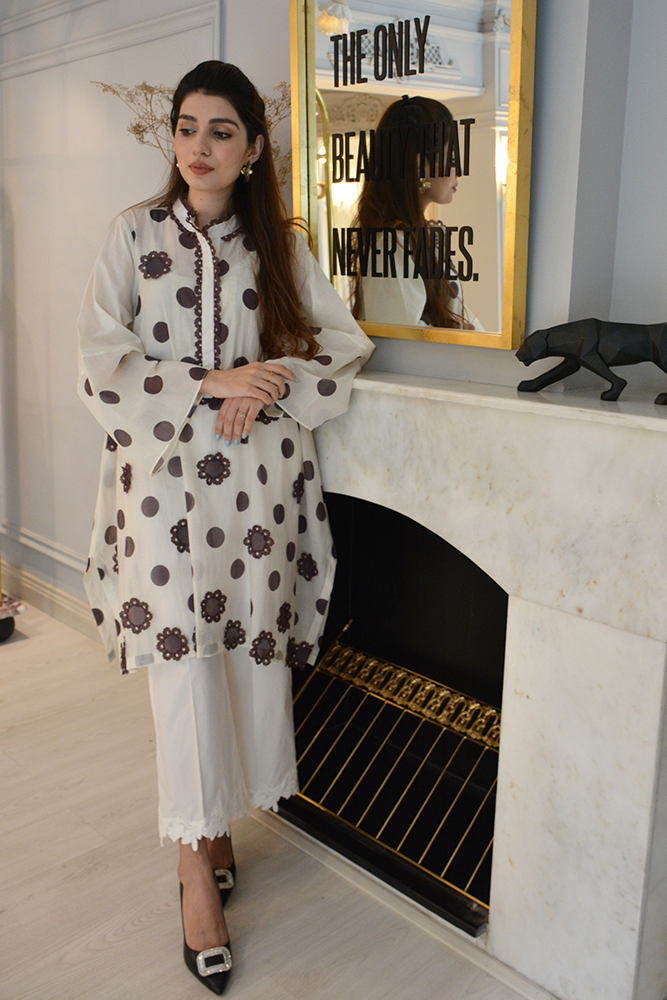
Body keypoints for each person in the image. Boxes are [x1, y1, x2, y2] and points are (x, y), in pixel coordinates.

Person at [77, 60, 373, 995]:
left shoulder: (278, 245)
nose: (198, 147)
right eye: (186, 127)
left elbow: (344, 346)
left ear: (251, 148)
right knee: (181, 670)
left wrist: (267, 382)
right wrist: (211, 381)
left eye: (220, 131)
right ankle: (191, 870)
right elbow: (97, 360)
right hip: (164, 492)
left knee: (239, 658)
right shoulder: (133, 235)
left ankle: (214, 832)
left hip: (253, 492)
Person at [350, 94, 482, 330]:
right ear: (421, 165)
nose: (459, 172)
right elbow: (399, 337)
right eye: (452, 159)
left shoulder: (412, 238)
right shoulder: (391, 246)